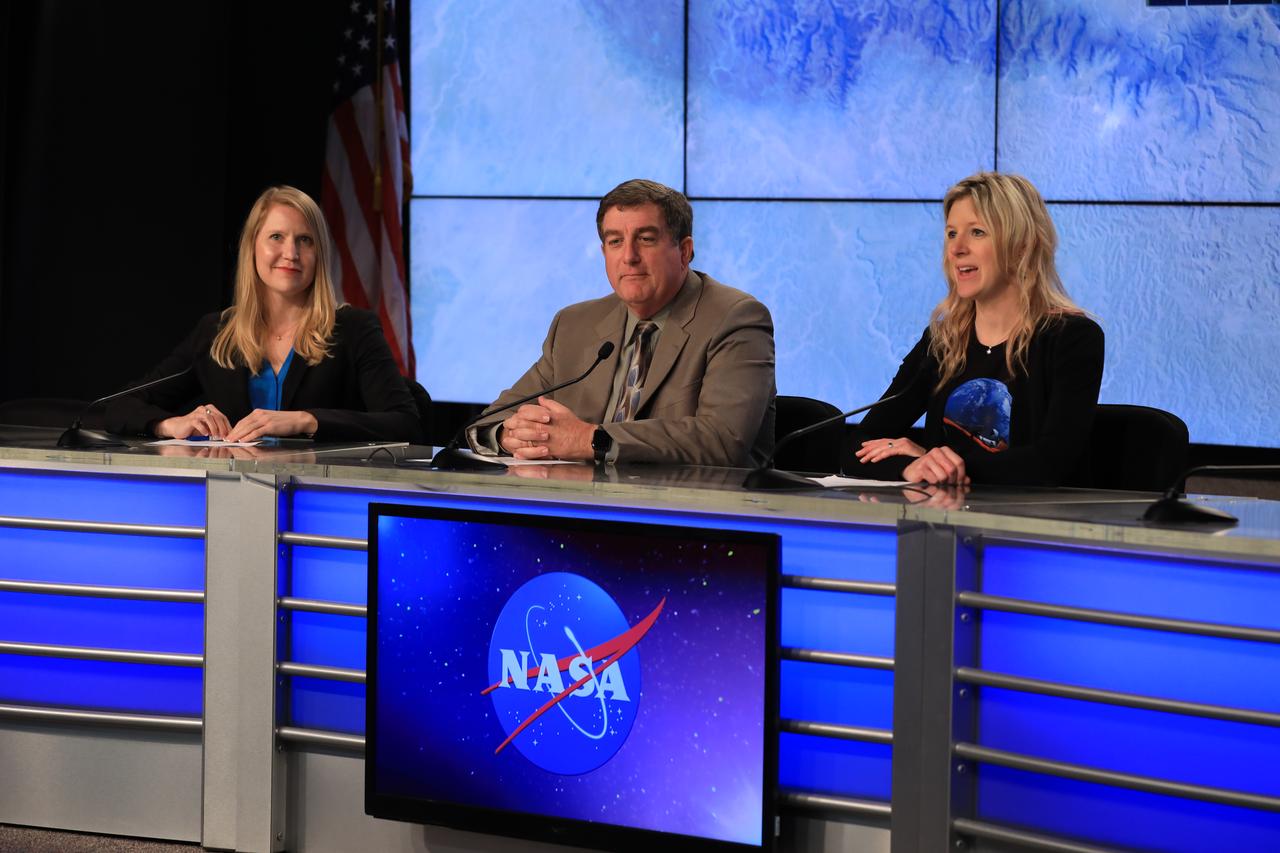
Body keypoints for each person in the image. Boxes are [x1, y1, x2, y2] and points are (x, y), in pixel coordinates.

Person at [468, 179, 775, 467]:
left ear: (684, 251)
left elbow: (722, 440)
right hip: (581, 508)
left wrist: (590, 439)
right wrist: (510, 435)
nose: (629, 256)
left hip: (692, 514)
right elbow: (488, 422)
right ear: (604, 252)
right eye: (615, 241)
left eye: (646, 239)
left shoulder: (736, 317)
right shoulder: (574, 324)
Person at [105, 185, 422, 443]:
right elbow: (117, 407)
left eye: (305, 241)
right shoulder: (217, 332)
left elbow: (404, 422)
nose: (291, 253)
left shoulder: (354, 329)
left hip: (320, 498)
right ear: (252, 247)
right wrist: (170, 425)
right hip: (232, 497)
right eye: (276, 237)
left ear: (319, 255)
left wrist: (305, 420)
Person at [845, 172, 1104, 486]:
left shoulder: (1071, 338)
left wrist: (934, 461)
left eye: (977, 232)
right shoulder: (943, 340)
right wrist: (910, 468)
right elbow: (858, 444)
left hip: (1028, 528)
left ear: (1022, 246)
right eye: (952, 233)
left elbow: (1051, 462)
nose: (956, 249)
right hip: (942, 525)